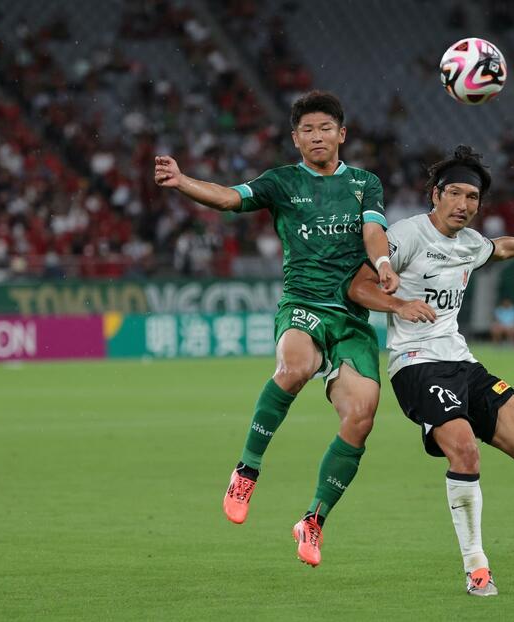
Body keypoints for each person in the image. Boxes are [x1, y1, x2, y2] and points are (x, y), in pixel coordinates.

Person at [348, 145, 514, 596]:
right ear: (435, 194)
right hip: (416, 366)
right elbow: (358, 285)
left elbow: (497, 248)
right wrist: (398, 304)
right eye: (454, 193)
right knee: (465, 452)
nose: (463, 204)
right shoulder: (408, 235)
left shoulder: (469, 242)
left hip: (463, 363)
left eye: (472, 197)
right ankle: (476, 568)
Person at [154, 90, 399, 568]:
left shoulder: (365, 183)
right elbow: (230, 198)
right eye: (306, 130)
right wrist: (182, 182)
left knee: (362, 415)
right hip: (303, 304)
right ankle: (246, 470)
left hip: (350, 319)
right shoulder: (282, 182)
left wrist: (384, 261)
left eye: (325, 128)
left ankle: (313, 520)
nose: (316, 136)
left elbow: (373, 230)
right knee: (296, 364)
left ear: (341, 134)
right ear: (295, 139)